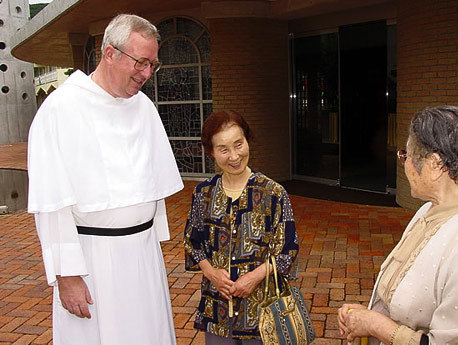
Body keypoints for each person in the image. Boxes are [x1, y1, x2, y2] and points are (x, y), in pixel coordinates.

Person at [27, 14, 183, 345]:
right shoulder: (61, 109)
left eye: (152, 65)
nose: (146, 74)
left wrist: (152, 245)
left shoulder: (144, 108)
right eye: (140, 62)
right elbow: (52, 203)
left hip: (143, 255)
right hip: (93, 262)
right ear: (110, 54)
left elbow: (152, 186)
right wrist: (67, 275)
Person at [338, 105, 458, 345]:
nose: (404, 165)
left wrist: (376, 325)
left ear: (435, 165)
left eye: (406, 156)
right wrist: (368, 314)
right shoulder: (430, 208)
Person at [184, 110, 300, 344]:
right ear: (211, 152)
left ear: (247, 140)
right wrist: (211, 273)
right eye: (223, 149)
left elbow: (287, 251)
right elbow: (192, 242)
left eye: (239, 144)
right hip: (217, 311)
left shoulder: (273, 193)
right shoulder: (203, 193)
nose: (234, 156)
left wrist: (253, 278)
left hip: (262, 313)